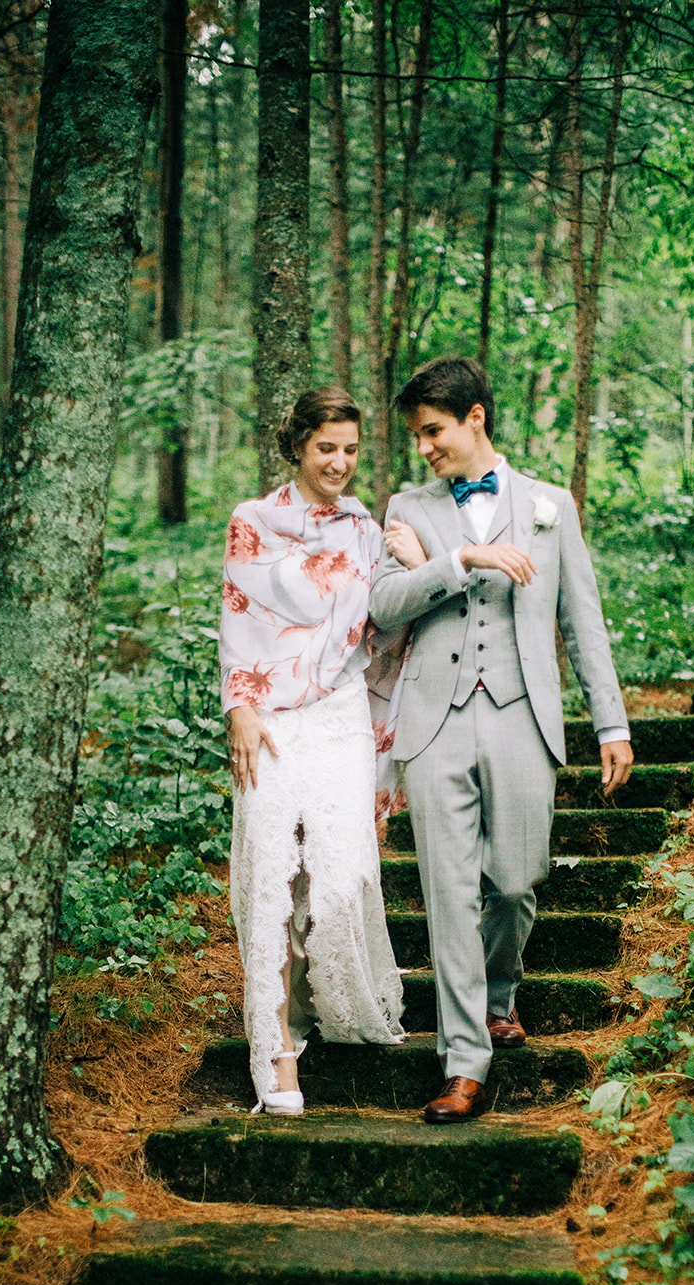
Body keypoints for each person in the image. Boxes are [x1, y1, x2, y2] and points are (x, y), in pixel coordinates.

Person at [371, 356, 633, 1125]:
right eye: (417, 435)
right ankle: (463, 1063)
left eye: (433, 431)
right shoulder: (407, 507)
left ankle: (498, 995)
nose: (424, 447)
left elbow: (580, 620)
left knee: (514, 881)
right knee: (448, 896)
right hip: (433, 720)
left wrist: (609, 722)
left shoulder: (552, 505)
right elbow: (383, 607)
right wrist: (455, 562)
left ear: (475, 417)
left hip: (521, 712)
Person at [220, 387, 424, 1114]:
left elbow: (385, 638)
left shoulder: (366, 529)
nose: (338, 462)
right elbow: (238, 619)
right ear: (298, 447)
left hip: (341, 717)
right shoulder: (253, 521)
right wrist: (239, 707)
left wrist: (419, 561)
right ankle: (275, 1049)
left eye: (348, 450)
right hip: (269, 719)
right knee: (270, 874)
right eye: (324, 448)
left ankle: (329, 1003)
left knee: (339, 879)